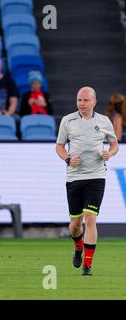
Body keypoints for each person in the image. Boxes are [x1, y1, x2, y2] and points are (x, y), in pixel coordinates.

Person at [56, 87, 119, 276]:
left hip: (96, 176)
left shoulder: (104, 121)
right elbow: (59, 146)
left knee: (90, 218)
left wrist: (110, 153)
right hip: (75, 177)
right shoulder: (68, 120)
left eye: (85, 100)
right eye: (79, 100)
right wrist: (67, 159)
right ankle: (78, 247)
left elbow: (114, 145)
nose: (81, 104)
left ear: (94, 102)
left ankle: (87, 265)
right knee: (75, 224)